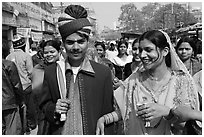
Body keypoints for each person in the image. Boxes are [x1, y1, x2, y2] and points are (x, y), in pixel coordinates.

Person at [96, 30, 199, 135]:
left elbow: (186, 124)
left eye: (148, 50)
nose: (142, 55)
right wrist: (105, 119)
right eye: (140, 50)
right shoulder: (134, 80)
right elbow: (126, 110)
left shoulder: (181, 81)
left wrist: (167, 112)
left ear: (165, 51)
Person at [39, 4, 114, 135]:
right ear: (63, 43)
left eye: (80, 41)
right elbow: (44, 107)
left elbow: (108, 114)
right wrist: (54, 109)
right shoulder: (53, 72)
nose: (75, 47)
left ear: (87, 41)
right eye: (70, 42)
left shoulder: (103, 73)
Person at [6, 36, 36, 133]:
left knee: (18, 109)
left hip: (13, 88)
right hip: (26, 86)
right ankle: (30, 125)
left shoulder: (8, 57)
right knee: (29, 107)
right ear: (23, 45)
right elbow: (31, 72)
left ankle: (22, 128)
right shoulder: (26, 56)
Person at [31, 39, 62, 134]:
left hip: (62, 111)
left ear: (59, 52)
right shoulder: (38, 68)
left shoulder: (64, 68)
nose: (49, 55)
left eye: (52, 52)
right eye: (46, 53)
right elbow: (36, 92)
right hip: (43, 112)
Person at [2, 39, 24, 135]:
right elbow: (17, 85)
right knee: (12, 130)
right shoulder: (8, 64)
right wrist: (21, 100)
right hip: (9, 103)